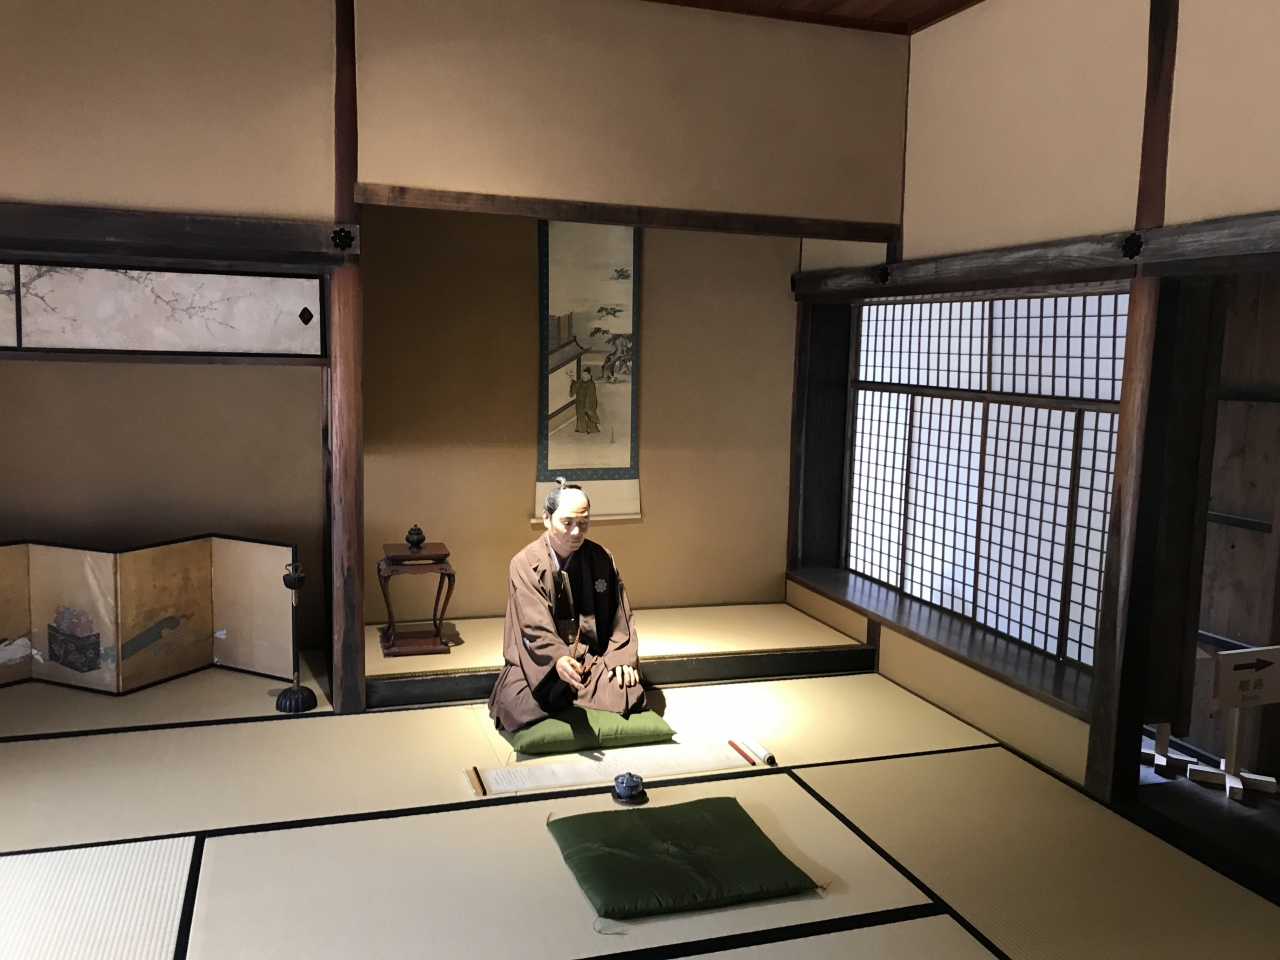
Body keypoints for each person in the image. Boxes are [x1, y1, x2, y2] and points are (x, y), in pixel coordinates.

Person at [488, 481, 644, 731]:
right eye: (567, 522)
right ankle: (566, 686)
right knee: (516, 703)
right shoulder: (525, 563)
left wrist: (621, 657)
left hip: (590, 655)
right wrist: (558, 660)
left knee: (628, 689)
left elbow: (619, 616)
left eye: (583, 523)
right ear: (546, 518)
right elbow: (533, 625)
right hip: (540, 661)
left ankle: (575, 689)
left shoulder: (601, 558)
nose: (576, 532)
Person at [569, 366, 600, 434]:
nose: (583, 376)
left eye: (585, 374)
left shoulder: (591, 384)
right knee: (580, 415)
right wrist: (572, 382)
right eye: (583, 374)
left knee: (589, 415)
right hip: (579, 402)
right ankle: (581, 428)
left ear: (589, 376)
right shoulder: (580, 381)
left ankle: (591, 429)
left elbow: (591, 396)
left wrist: (587, 405)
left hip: (587, 402)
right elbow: (576, 386)